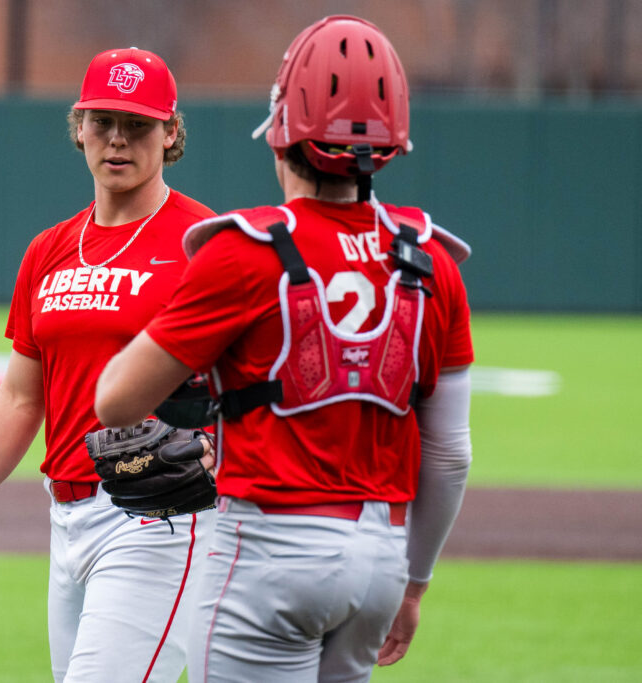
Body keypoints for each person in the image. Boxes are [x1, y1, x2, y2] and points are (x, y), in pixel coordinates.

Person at [95, 16, 473, 682]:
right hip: (379, 558)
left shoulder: (243, 252)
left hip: (269, 549)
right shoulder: (432, 259)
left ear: (281, 131)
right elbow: (449, 453)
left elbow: (116, 400)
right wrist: (414, 582)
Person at [0, 47, 216, 682]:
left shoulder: (202, 243)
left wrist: (220, 452)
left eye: (138, 123)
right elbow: (18, 399)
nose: (117, 139)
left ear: (170, 131)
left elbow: (256, 384)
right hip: (67, 519)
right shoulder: (51, 249)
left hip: (161, 518)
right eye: (102, 120)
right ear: (79, 126)